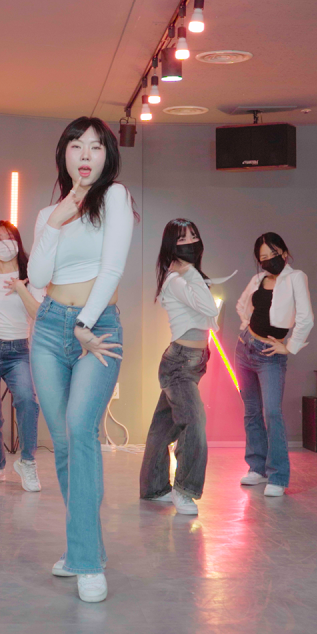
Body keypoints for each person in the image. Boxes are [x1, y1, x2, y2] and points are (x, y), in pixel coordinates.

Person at [28, 116, 135, 603]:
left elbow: (112, 268)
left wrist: (85, 323)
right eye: (76, 146)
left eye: (96, 146)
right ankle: (83, 547)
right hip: (50, 328)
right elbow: (37, 277)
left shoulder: (116, 198)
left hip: (98, 327)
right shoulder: (48, 213)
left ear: (108, 155)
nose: (86, 154)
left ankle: (87, 561)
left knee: (80, 429)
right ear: (64, 155)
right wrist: (55, 221)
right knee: (64, 444)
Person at [139, 219, 218, 516]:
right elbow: (209, 308)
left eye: (194, 236)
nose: (191, 242)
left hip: (194, 362)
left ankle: (153, 487)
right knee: (194, 422)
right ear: (172, 245)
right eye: (183, 238)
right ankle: (184, 489)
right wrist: (192, 271)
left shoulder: (185, 277)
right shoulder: (176, 279)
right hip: (180, 364)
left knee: (162, 428)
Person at [234, 232, 313, 497]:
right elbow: (243, 306)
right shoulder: (258, 279)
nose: (269, 260)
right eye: (263, 257)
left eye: (273, 254)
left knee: (272, 413)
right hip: (244, 348)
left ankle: (278, 476)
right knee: (251, 411)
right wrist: (246, 328)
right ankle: (257, 468)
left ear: (284, 252)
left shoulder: (296, 277)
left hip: (270, 355)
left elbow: (306, 317)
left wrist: (289, 346)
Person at [0, 220, 45, 490]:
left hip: (18, 352)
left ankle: (27, 462)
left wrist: (21, 288)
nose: (3, 243)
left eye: (8, 237)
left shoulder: (32, 280)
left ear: (17, 243)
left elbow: (38, 314)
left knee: (27, 401)